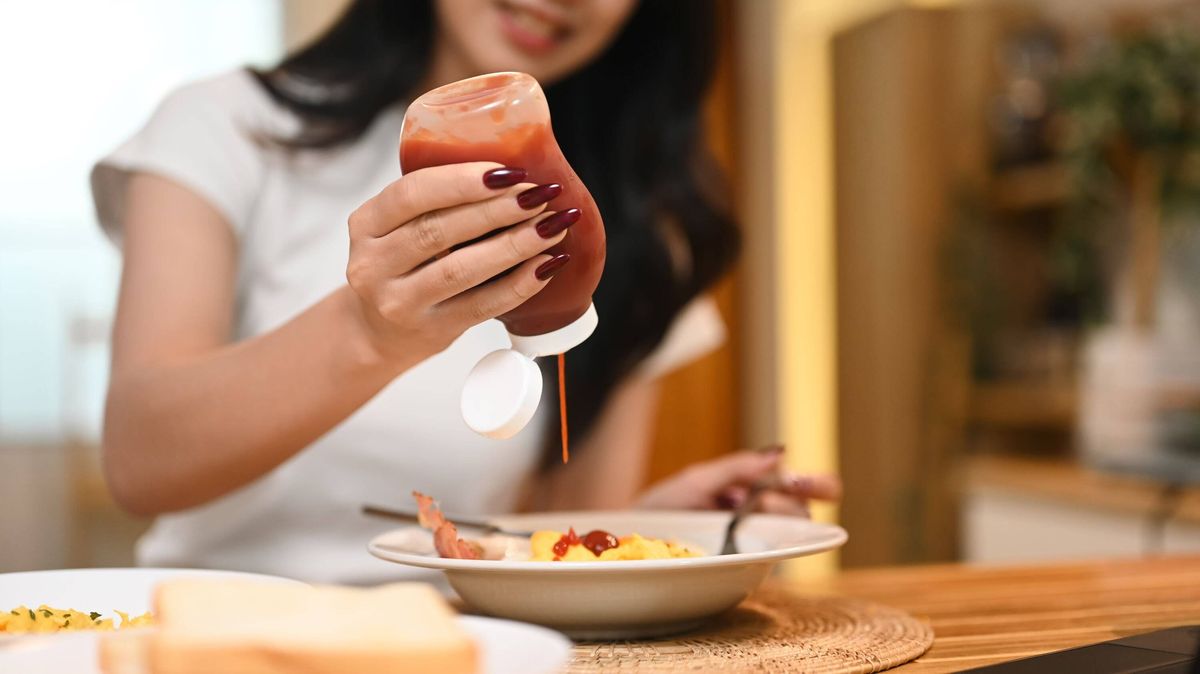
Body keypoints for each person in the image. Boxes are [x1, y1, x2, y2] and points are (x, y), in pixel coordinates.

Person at [91, 0, 840, 584]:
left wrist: (647, 532)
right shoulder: (225, 127)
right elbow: (139, 458)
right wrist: (367, 334)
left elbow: (542, 534)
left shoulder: (637, 228)